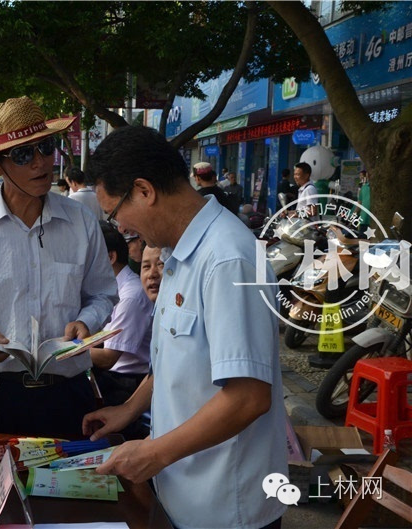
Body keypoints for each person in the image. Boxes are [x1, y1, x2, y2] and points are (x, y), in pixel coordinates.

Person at [84, 126, 287, 529]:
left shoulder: (227, 259)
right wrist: (130, 409)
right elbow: (175, 359)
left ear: (144, 190)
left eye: (115, 213)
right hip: (182, 491)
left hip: (225, 506)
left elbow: (248, 397)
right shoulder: (177, 253)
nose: (121, 228)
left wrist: (153, 453)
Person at [0, 96, 117, 524]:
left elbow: (105, 294)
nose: (40, 162)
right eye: (23, 154)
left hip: (67, 397)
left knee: (68, 514)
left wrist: (86, 322)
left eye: (46, 148)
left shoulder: (82, 223)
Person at [90, 222, 153, 440]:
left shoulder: (131, 296)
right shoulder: (112, 289)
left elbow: (108, 358)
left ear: (109, 258)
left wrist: (63, 352)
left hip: (127, 385)